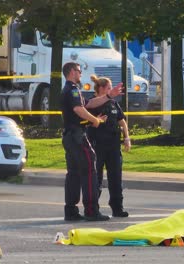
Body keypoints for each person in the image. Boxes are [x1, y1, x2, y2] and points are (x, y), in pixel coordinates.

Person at [60, 62, 123, 221]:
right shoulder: (72, 89)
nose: (81, 74)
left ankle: (71, 210)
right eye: (79, 71)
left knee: (73, 173)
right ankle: (91, 210)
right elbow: (78, 110)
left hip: (70, 136)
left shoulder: (71, 89)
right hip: (76, 136)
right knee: (90, 170)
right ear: (72, 72)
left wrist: (109, 96)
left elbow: (88, 104)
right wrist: (94, 120)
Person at [87, 75, 131, 218]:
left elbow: (122, 121)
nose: (111, 90)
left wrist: (127, 138)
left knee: (116, 178)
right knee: (96, 179)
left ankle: (117, 208)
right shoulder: (94, 102)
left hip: (113, 147)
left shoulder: (113, 104)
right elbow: (88, 107)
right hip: (97, 146)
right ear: (100, 88)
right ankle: (93, 209)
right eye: (108, 88)